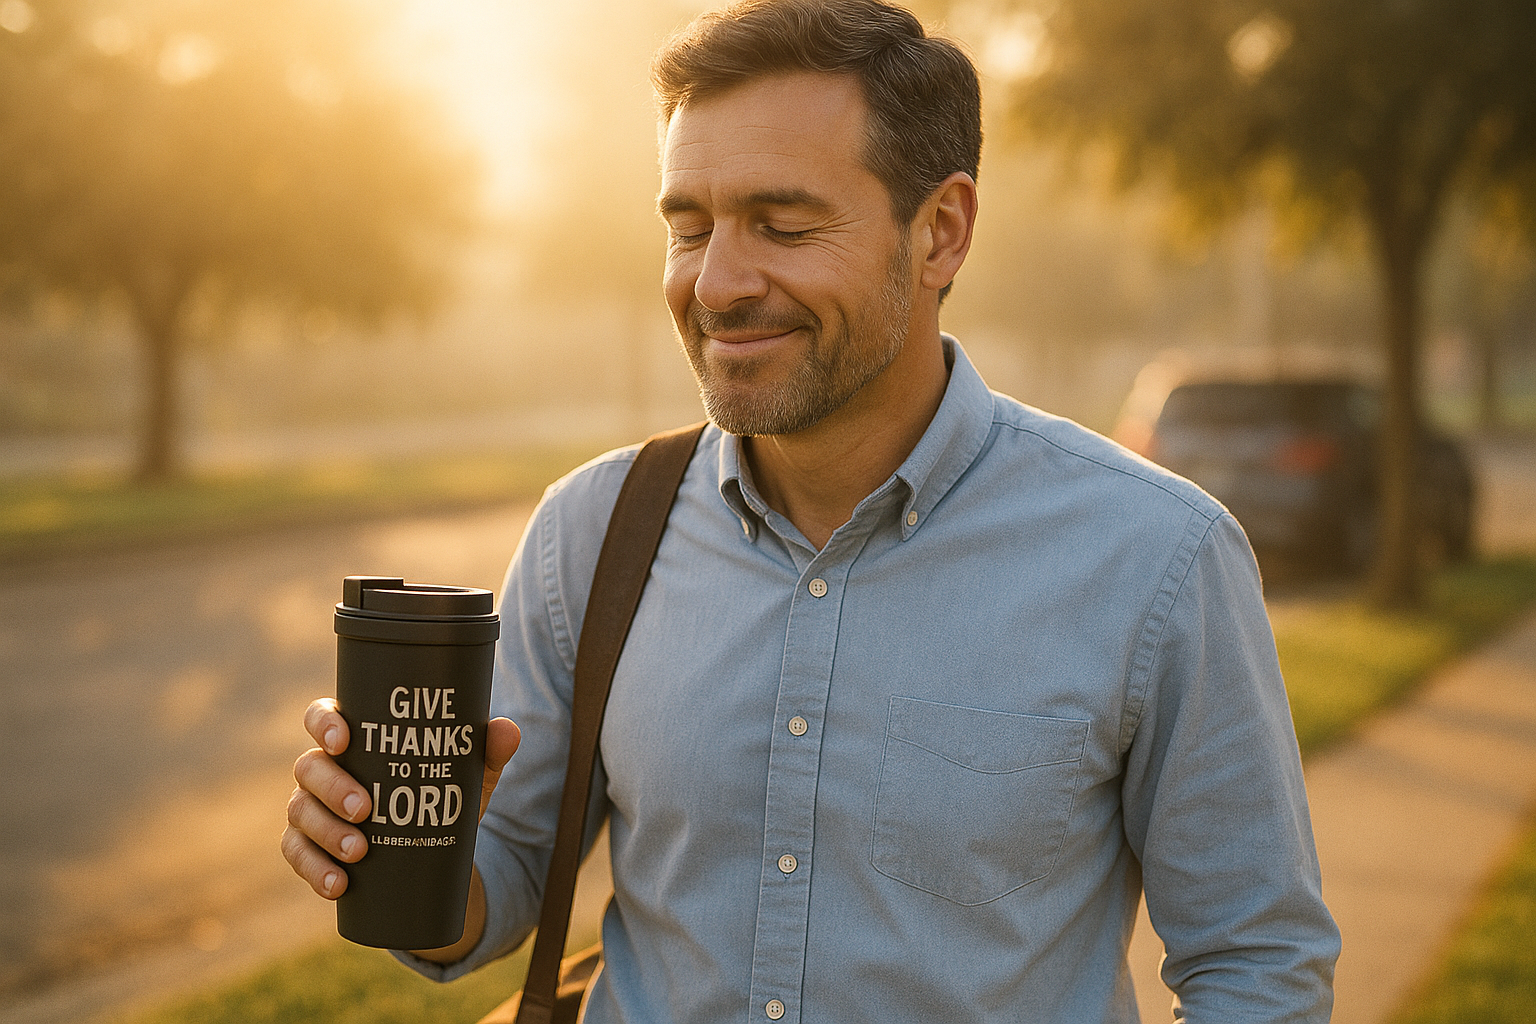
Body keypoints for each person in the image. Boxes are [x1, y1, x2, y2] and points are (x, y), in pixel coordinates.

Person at [283, 0, 1341, 1019]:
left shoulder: (1156, 556)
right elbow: (501, 878)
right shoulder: (590, 531)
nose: (719, 284)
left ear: (941, 233)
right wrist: (391, 855)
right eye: (690, 228)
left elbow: (1257, 958)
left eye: (782, 225)